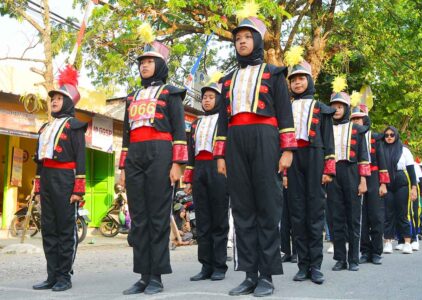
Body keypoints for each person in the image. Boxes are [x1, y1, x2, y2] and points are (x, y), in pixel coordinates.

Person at [213, 12, 296, 297]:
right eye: (238, 39)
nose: (242, 42)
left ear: (258, 40)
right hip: (236, 141)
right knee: (242, 209)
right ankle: (249, 274)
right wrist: (220, 155)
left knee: (267, 208)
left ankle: (267, 276)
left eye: (248, 37)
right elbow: (223, 121)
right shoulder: (227, 80)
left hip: (266, 139)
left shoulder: (274, 74)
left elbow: (285, 112)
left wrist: (287, 149)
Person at [119, 28, 188, 295]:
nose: (144, 66)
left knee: (158, 216)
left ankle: (157, 276)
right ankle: (143, 275)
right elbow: (126, 136)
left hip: (161, 153)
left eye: (149, 61)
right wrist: (123, 167)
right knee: (139, 217)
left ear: (159, 65)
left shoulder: (171, 93)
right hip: (135, 155)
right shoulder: (132, 97)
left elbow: (180, 132)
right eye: (141, 62)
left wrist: (177, 164)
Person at [32, 65, 87, 292]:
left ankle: (65, 275)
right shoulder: (45, 127)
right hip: (46, 178)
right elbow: (39, 160)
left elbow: (81, 158)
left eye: (59, 98)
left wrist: (78, 189)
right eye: (52, 97)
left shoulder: (75, 126)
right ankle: (51, 275)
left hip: (66, 179)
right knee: (49, 229)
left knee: (65, 230)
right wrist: (36, 188)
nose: (54, 100)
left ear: (68, 102)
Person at [285, 57, 336, 283]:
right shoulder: (285, 107)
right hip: (293, 159)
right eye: (293, 80)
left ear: (309, 81)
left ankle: (315, 266)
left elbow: (329, 141)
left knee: (315, 213)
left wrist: (328, 169)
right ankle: (302, 265)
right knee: (297, 213)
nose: (297, 83)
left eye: (301, 79)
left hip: (315, 157)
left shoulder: (320, 108)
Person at [183, 80, 229, 281]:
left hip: (218, 168)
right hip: (200, 169)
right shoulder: (196, 123)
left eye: (211, 97)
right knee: (202, 219)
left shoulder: (225, 120)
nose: (207, 101)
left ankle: (219, 265)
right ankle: (205, 265)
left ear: (219, 99)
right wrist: (188, 178)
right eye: (205, 98)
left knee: (219, 218)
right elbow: (190, 153)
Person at [327, 79, 371, 272]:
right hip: (333, 173)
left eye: (340, 106)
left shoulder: (356, 129)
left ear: (346, 108)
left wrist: (363, 180)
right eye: (334, 107)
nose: (336, 110)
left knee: (354, 217)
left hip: (352, 172)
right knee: (336, 217)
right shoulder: (326, 128)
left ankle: (354, 259)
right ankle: (340, 258)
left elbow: (363, 156)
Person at [350, 105, 389, 265]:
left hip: (373, 178)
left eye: (359, 118)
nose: (356, 121)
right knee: (361, 217)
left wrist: (383, 183)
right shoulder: (349, 137)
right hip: (355, 176)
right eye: (353, 119)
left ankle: (377, 251)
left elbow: (382, 161)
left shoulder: (375, 137)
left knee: (376, 216)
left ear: (365, 120)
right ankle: (365, 251)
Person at [381, 126, 417, 254]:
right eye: (386, 135)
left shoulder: (404, 150)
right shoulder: (381, 149)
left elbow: (412, 171)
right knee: (388, 213)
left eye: (392, 135)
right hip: (386, 181)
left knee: (403, 212)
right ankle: (388, 241)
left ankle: (407, 241)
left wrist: (414, 188)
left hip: (401, 181)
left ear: (396, 136)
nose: (389, 137)